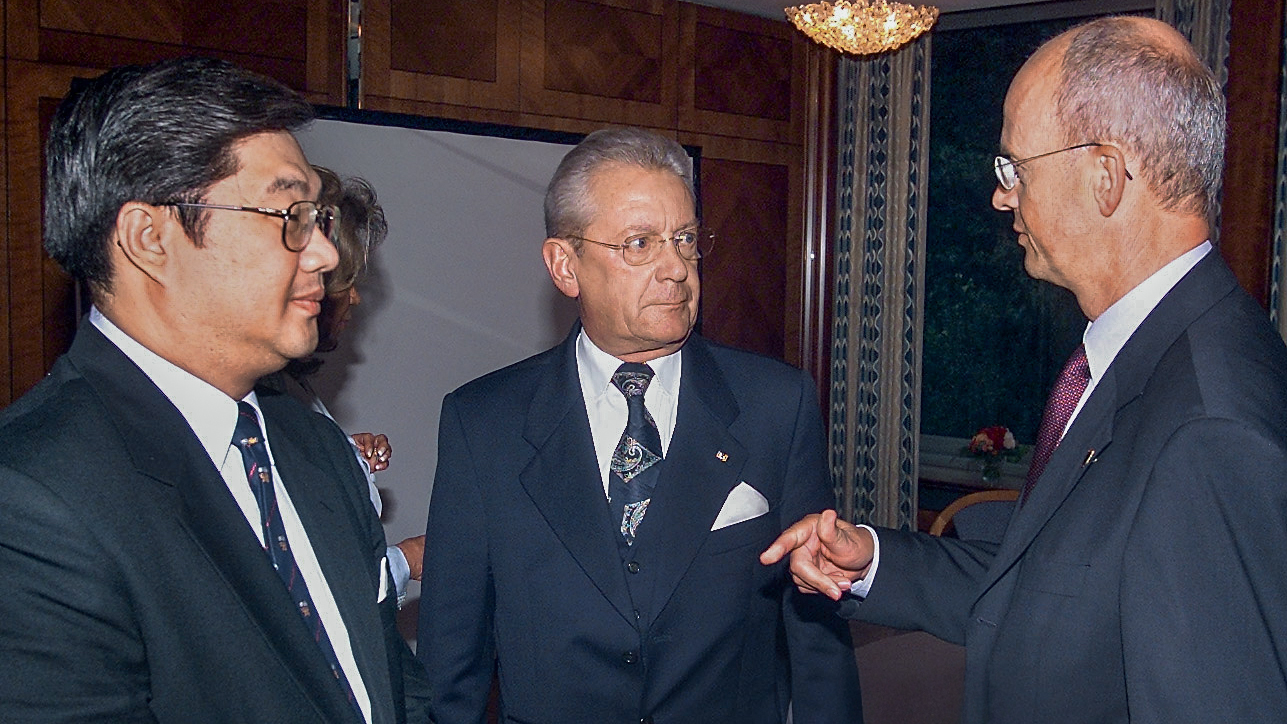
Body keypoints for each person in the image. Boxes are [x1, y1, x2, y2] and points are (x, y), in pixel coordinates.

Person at [762, 16, 1287, 724]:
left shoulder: (1208, 424)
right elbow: (1045, 580)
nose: (999, 197)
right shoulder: (1144, 355)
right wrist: (872, 560)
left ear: (1103, 176)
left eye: (1014, 168)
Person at [0, 57, 430, 722]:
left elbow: (390, 688)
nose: (322, 252)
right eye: (290, 215)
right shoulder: (32, 499)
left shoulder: (310, 445)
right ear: (150, 239)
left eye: (316, 216)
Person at [415, 127, 862, 723]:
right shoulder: (483, 422)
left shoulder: (776, 404)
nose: (675, 268)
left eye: (684, 239)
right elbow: (453, 657)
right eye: (639, 243)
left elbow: (816, 628)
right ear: (564, 265)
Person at [269, 166, 426, 601]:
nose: (354, 297)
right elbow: (312, 595)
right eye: (344, 281)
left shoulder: (292, 392)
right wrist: (408, 561)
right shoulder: (261, 402)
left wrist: (341, 455)